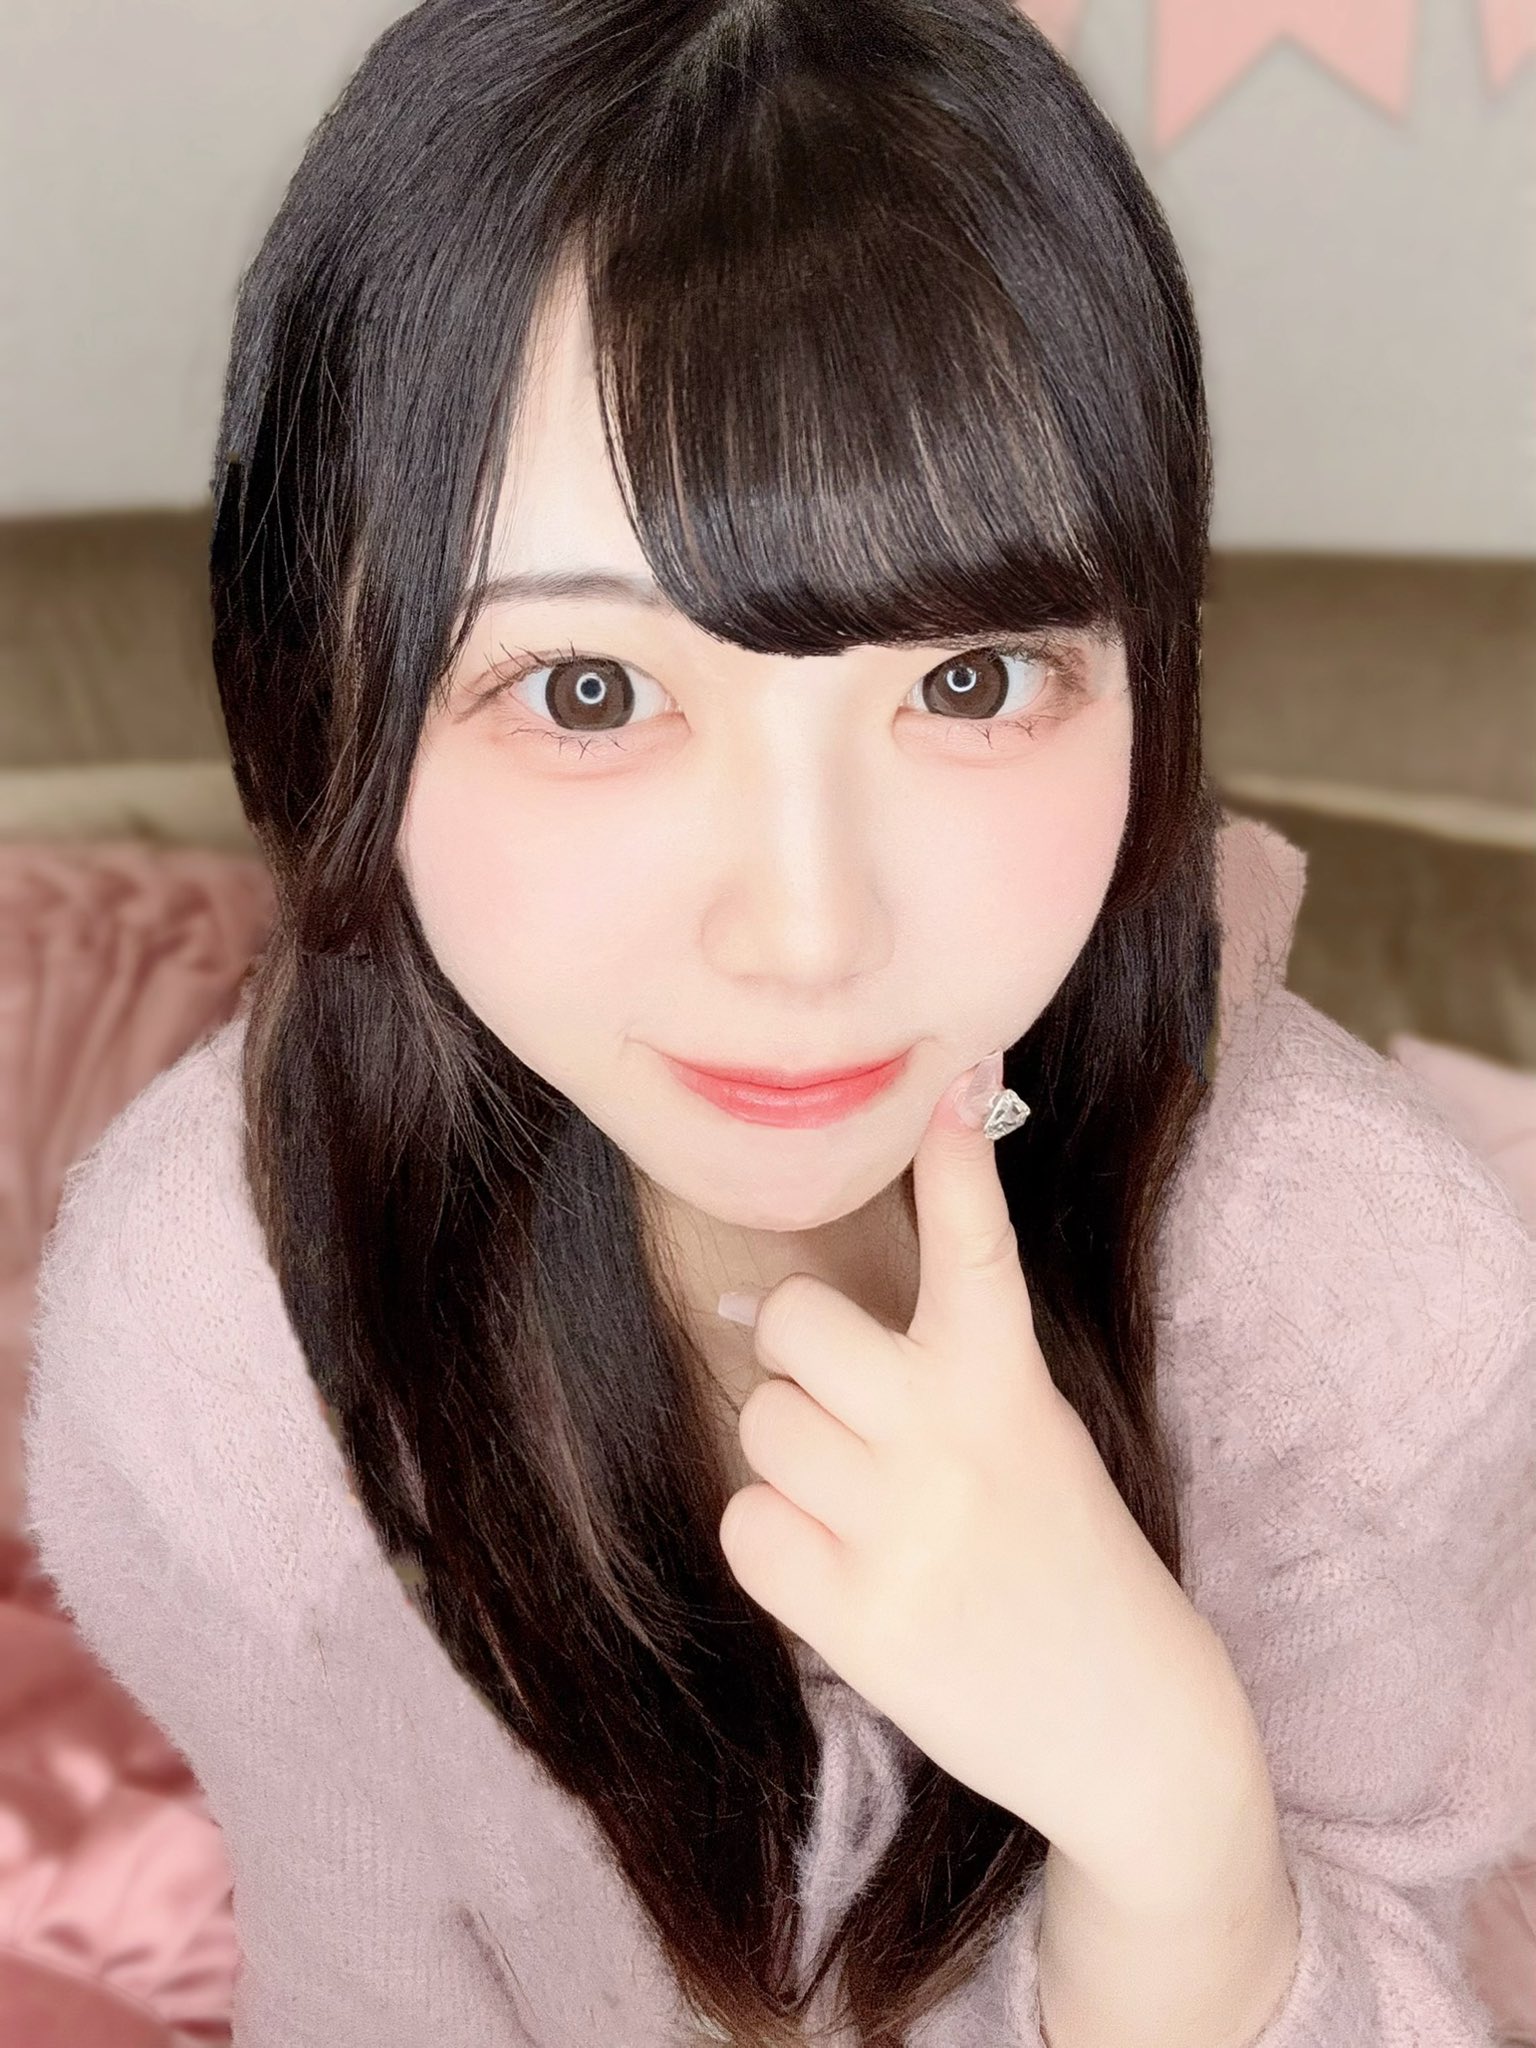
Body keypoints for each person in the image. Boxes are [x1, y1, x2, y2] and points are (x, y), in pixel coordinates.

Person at [22, 2, 1536, 2045]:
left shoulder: (1360, 1297)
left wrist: (1176, 1827)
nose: (811, 934)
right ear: (326, 695)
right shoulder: (225, 1307)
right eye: (589, 693)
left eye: (971, 683)